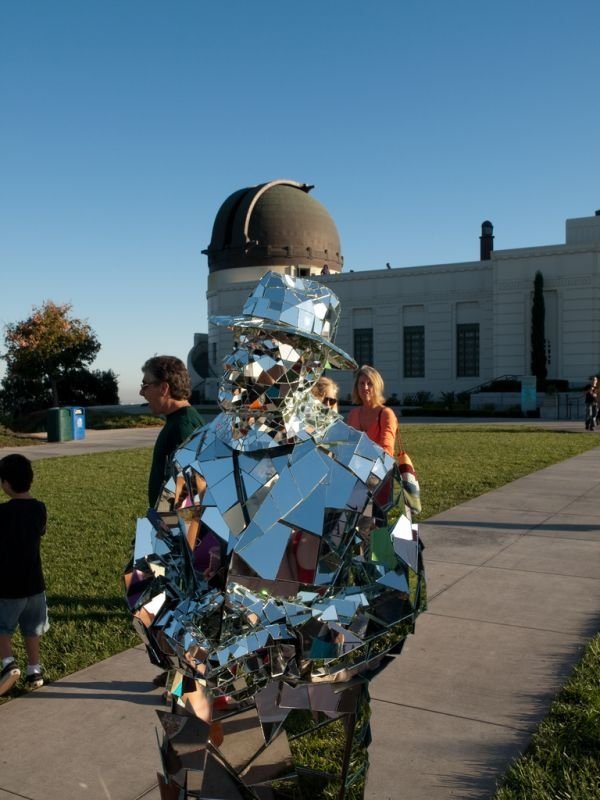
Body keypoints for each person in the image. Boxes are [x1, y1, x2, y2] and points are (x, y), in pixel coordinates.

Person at [126, 272, 426, 799]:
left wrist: (277, 648)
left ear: (307, 364)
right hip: (195, 697)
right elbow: (154, 550)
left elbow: (395, 591)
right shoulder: (197, 452)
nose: (238, 362)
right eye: (239, 343)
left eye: (262, 347)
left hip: (311, 711)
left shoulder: (363, 468)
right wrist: (171, 630)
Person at [0, 454, 48, 695]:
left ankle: (8, 664)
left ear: (5, 483)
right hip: (35, 585)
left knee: (2, 628)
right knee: (32, 630)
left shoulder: (3, 513)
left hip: (8, 586)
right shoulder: (39, 509)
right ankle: (34, 671)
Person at [140, 355, 205, 507]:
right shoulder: (177, 420)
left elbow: (191, 492)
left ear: (164, 388)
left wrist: (166, 521)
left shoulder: (184, 427)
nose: (141, 393)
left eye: (145, 386)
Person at [346, 364, 398, 456]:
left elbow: (387, 452)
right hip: (355, 468)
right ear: (356, 387)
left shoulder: (386, 414)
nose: (365, 387)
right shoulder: (353, 414)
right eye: (361, 383)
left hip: (379, 468)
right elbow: (348, 447)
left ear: (377, 387)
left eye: (369, 383)